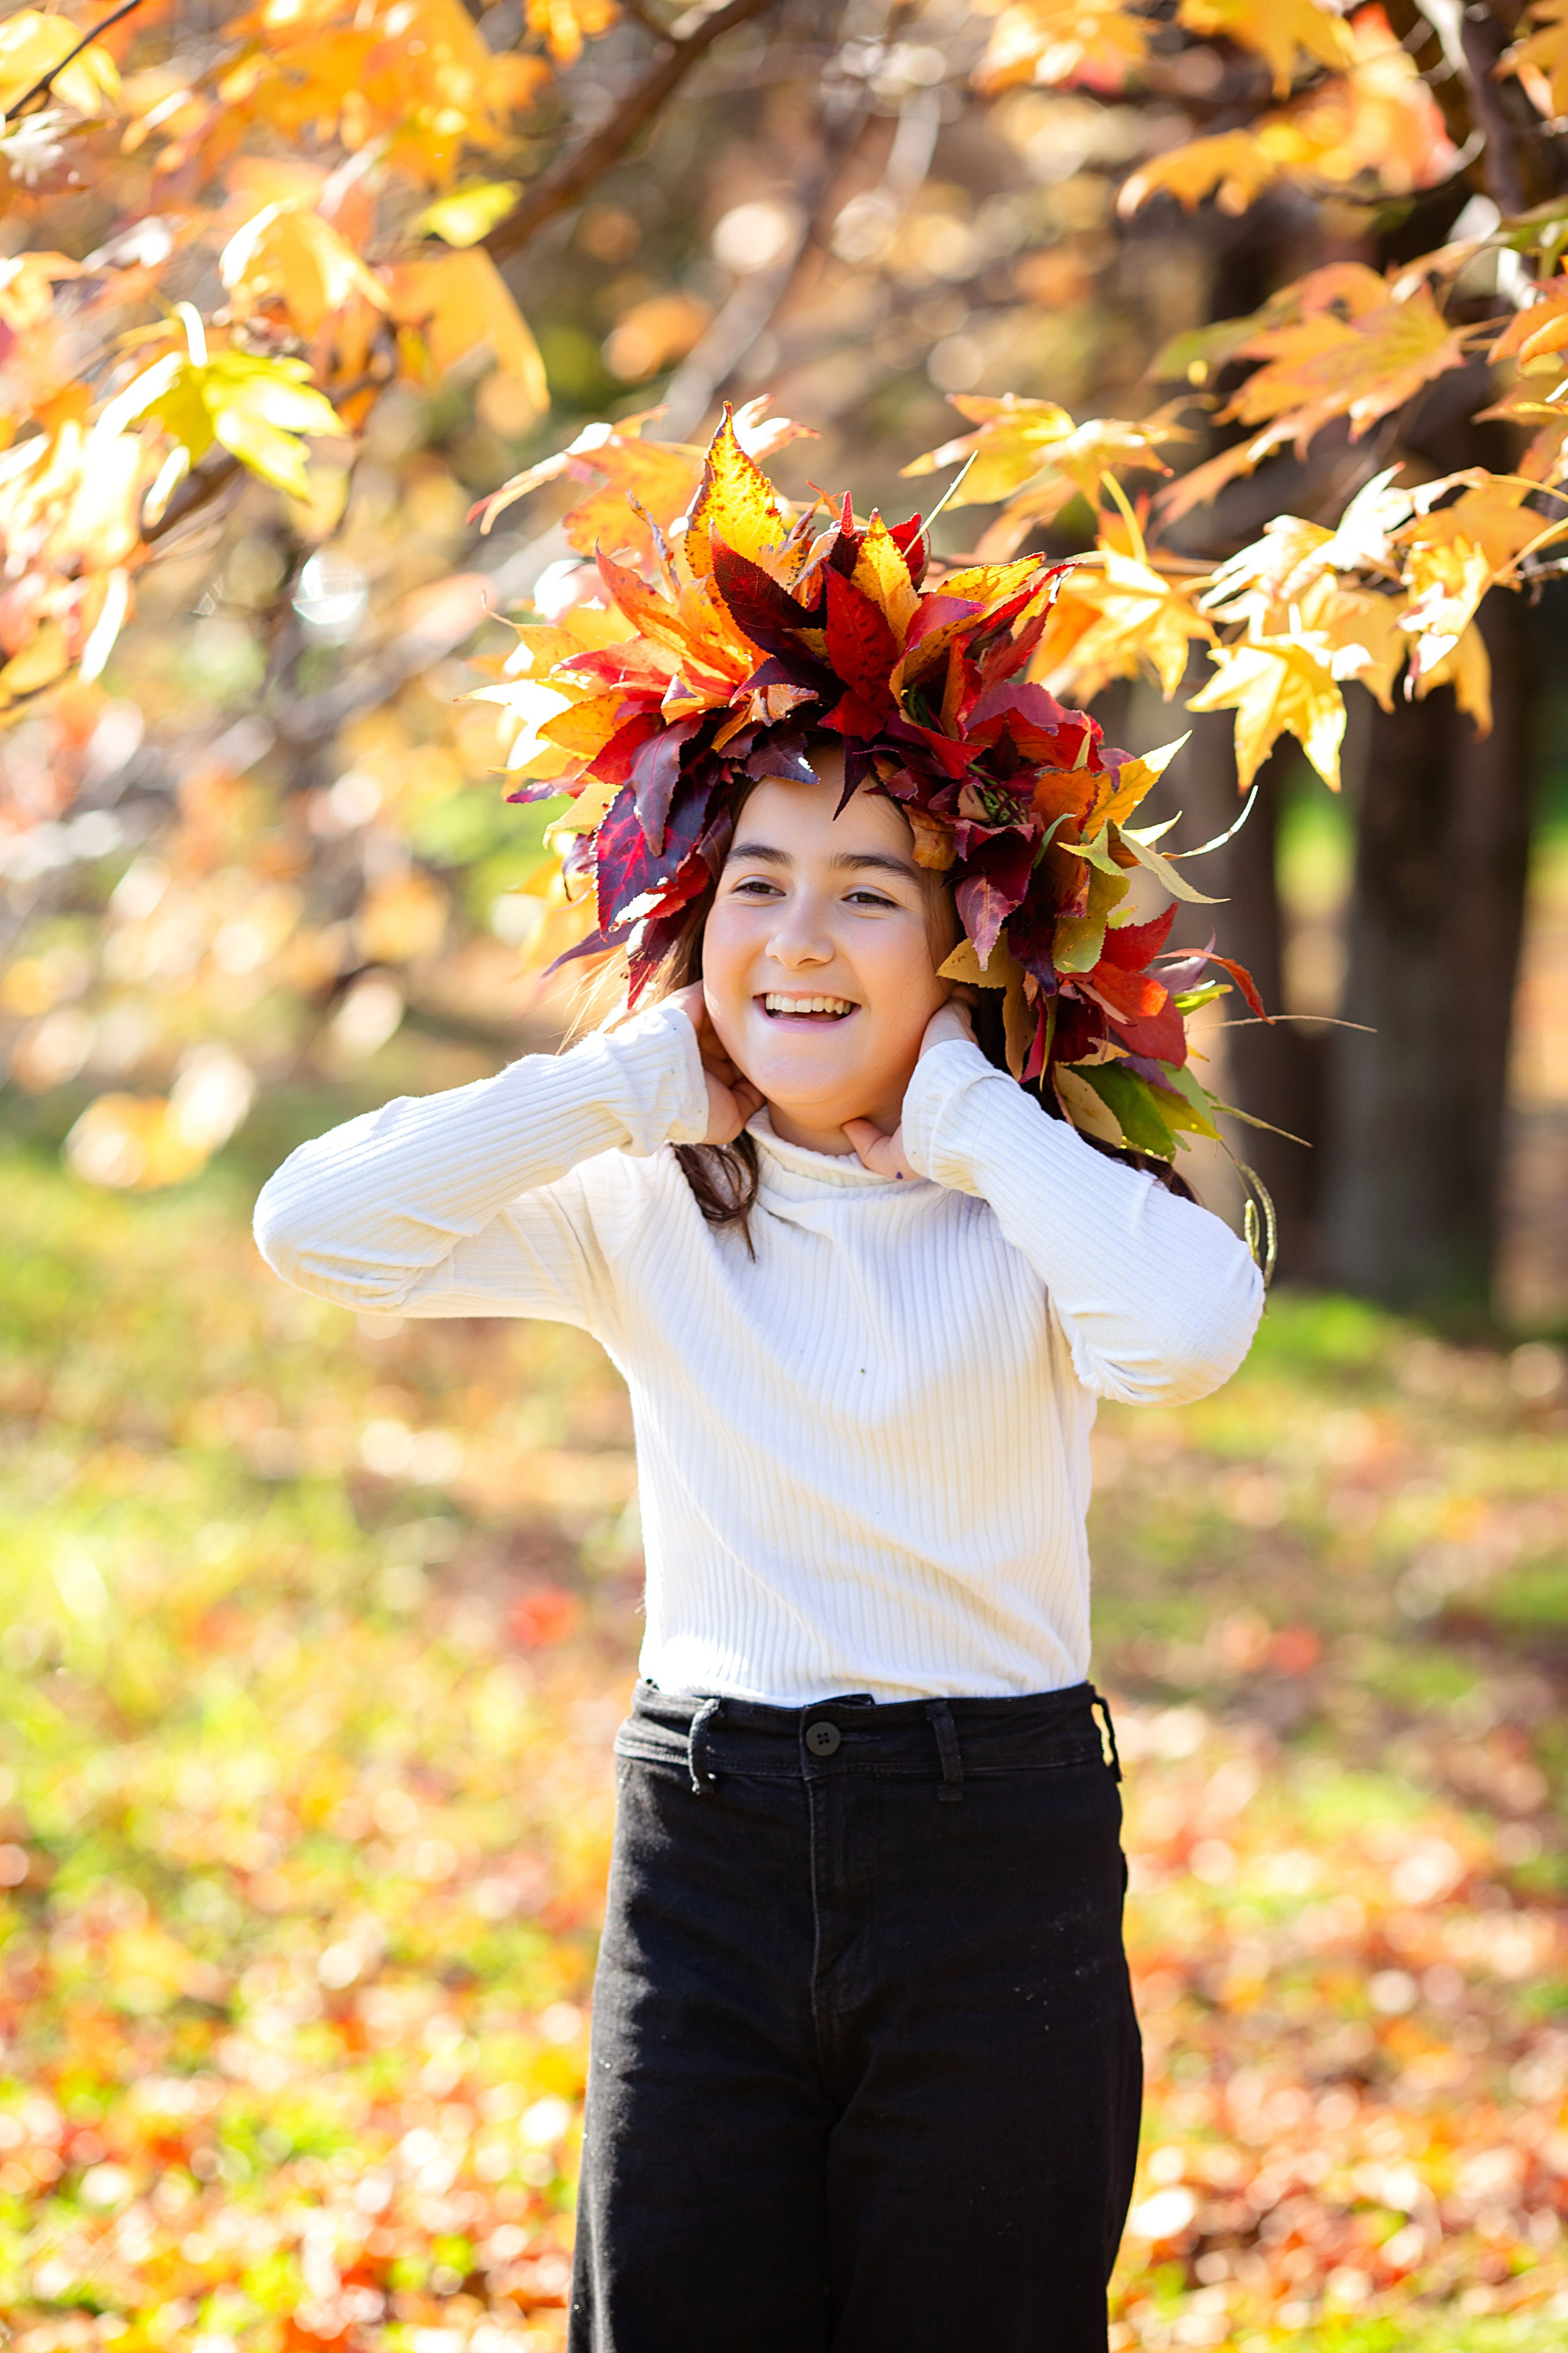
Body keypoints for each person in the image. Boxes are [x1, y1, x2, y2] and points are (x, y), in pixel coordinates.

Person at [254, 420, 1265, 2353]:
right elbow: (319, 1229)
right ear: (692, 917)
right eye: (757, 886)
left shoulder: (1032, 1204)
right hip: (706, 1849)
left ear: (970, 942)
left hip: (995, 1862)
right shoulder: (645, 1202)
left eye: (872, 894)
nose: (799, 940)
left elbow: (1190, 1334)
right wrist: (622, 1084)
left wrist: (968, 1116)